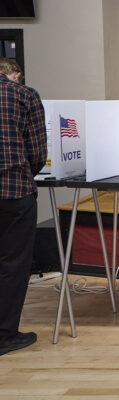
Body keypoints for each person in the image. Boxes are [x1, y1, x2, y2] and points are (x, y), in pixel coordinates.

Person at [0, 58, 46, 356]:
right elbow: (38, 151)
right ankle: (5, 336)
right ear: (14, 75)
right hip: (13, 190)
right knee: (12, 264)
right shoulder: (23, 95)